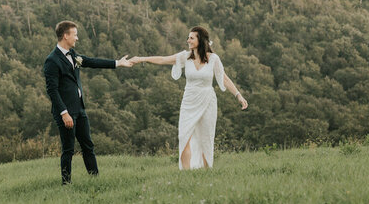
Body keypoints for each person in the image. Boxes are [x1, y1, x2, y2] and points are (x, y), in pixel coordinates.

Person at [129, 26, 248, 170]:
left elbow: (224, 78)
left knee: (206, 138)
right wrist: (141, 59)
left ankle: (206, 171)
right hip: (189, 101)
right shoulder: (184, 57)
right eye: (188, 37)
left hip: (207, 101)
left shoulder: (213, 59)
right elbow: (162, 59)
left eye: (191, 38)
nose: (188, 40)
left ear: (200, 40)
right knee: (184, 136)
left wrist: (238, 95)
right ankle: (185, 173)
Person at [43, 21, 133, 185]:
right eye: (75, 34)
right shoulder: (52, 60)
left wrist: (117, 63)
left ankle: (95, 180)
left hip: (80, 108)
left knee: (88, 145)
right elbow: (52, 91)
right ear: (66, 36)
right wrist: (64, 113)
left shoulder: (73, 54)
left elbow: (91, 61)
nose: (77, 38)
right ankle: (66, 184)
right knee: (68, 149)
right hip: (66, 112)